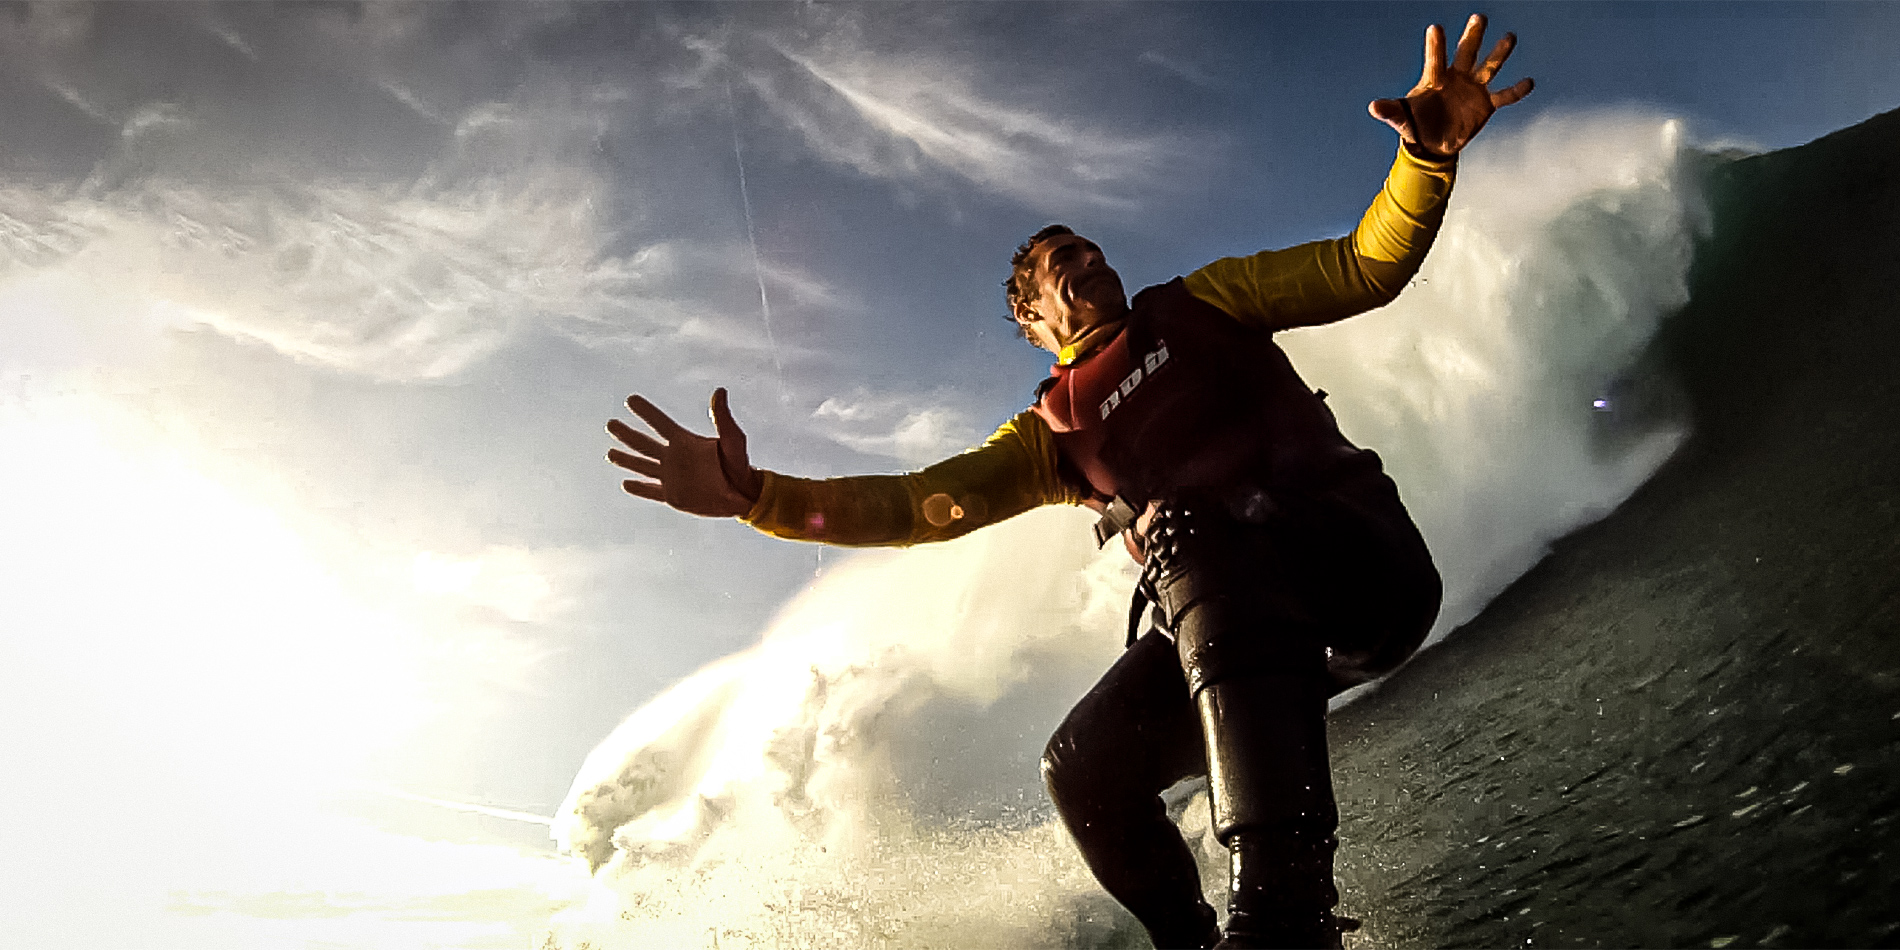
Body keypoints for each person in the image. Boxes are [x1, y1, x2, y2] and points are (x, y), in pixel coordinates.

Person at [607, 14, 1531, 948]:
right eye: (1065, 264)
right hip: (1248, 637)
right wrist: (756, 496)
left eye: (1093, 251)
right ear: (1033, 318)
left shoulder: (1203, 302)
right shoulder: (1051, 432)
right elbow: (916, 506)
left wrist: (1424, 161)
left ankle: (1282, 922)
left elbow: (1365, 264)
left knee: (1187, 526)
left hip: (1358, 565)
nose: (1092, 262)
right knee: (1084, 769)